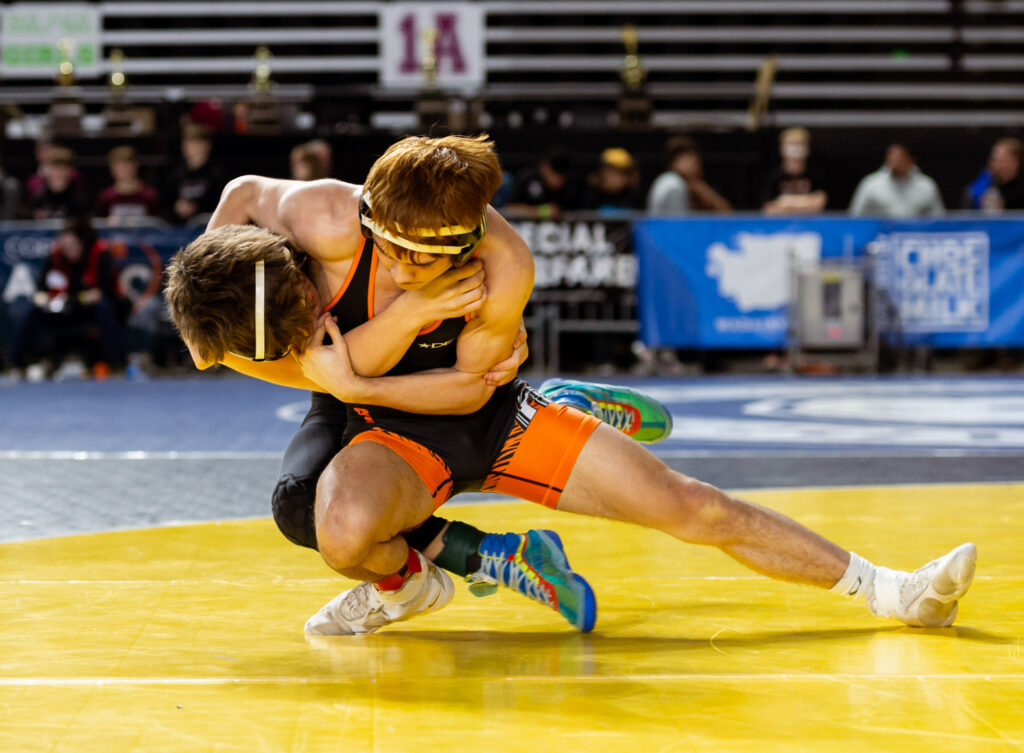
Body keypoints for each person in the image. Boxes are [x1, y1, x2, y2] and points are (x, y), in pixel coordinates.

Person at [166, 134, 976, 638]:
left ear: (467, 238)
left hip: (473, 409)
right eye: (393, 252)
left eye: (424, 260)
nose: (406, 269)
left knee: (694, 506)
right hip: (383, 428)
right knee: (325, 523)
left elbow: (465, 393)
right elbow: (238, 200)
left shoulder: (502, 269)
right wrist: (235, 310)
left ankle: (890, 589)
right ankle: (428, 579)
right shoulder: (324, 218)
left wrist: (347, 371)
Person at [7, 216, 126, 378]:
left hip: (87, 310)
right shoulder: (54, 257)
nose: (68, 249)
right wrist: (42, 299)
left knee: (104, 307)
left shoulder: (100, 255)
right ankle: (16, 363)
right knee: (33, 311)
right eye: (65, 246)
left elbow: (100, 293)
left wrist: (75, 299)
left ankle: (116, 363)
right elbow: (41, 291)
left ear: (83, 242)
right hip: (60, 310)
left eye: (73, 245)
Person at [849, 144, 945, 218]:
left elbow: (938, 217)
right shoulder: (871, 184)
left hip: (916, 236)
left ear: (910, 160)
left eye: (900, 159)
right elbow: (856, 215)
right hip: (878, 236)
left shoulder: (926, 185)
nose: (895, 163)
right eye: (892, 159)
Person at [646, 136, 732, 216]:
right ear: (676, 161)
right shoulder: (673, 183)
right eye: (691, 158)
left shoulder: (686, 183)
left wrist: (695, 182)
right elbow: (678, 225)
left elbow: (727, 212)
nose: (697, 163)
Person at [502, 144, 582, 220]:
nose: (558, 180)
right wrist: (541, 211)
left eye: (562, 177)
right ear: (544, 167)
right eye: (554, 174)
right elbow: (509, 209)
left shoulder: (573, 184)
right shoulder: (528, 179)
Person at [761, 127, 828, 215]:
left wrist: (787, 202)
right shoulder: (773, 176)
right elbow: (769, 209)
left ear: (808, 148)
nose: (796, 150)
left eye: (800, 145)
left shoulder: (817, 173)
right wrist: (807, 203)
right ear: (782, 148)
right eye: (791, 145)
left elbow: (820, 203)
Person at [168, 123, 226, 224]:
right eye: (186, 142)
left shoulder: (217, 174)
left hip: (208, 225)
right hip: (180, 227)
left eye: (194, 142)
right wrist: (176, 207)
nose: (189, 146)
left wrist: (197, 207)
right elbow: (166, 201)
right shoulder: (176, 174)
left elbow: (221, 203)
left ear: (206, 145)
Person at [95, 145, 162, 221]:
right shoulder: (106, 197)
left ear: (135, 166)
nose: (122, 170)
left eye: (126, 165)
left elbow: (156, 224)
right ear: (112, 169)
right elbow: (100, 225)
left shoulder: (150, 195)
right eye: (118, 166)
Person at [963, 137, 1024, 213]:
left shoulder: (1020, 189)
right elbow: (969, 198)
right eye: (994, 159)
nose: (995, 163)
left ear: (1015, 162)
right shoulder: (987, 182)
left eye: (1002, 160)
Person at [28, 146, 90, 220]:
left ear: (70, 171)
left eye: (63, 168)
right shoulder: (37, 199)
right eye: (55, 167)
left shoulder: (79, 201)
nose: (59, 173)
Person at [581, 147, 643, 215]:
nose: (614, 179)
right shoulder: (592, 197)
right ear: (601, 174)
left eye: (619, 174)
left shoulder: (634, 198)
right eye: (610, 173)